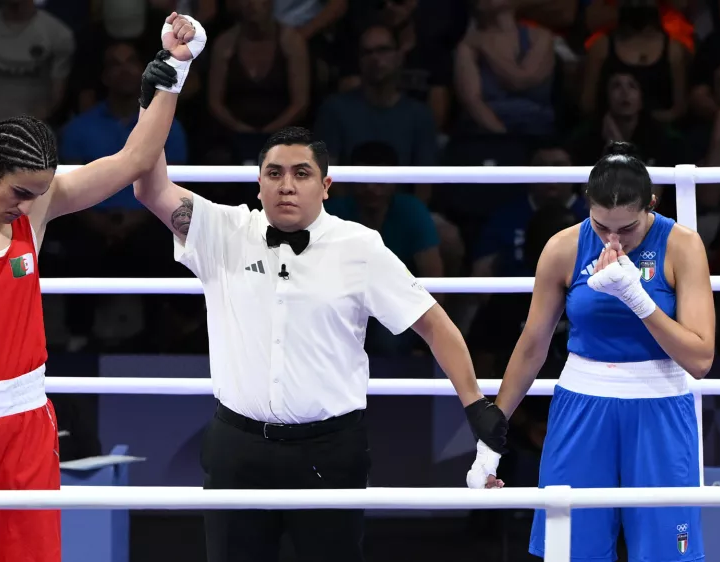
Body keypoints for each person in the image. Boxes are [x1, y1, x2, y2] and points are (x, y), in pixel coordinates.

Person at [0, 13, 207, 562]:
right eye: (20, 192)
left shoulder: (35, 205)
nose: (28, 206)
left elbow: (134, 160)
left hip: (27, 424)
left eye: (38, 194)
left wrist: (172, 69)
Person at [132, 125, 508, 562]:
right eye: (274, 173)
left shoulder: (360, 247)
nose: (286, 185)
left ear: (326, 186)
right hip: (238, 447)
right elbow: (149, 188)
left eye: (301, 173)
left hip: (329, 451)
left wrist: (475, 405)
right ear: (258, 183)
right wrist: (166, 84)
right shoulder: (224, 230)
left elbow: (435, 325)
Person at [468, 141, 714, 562]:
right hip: (582, 408)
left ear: (651, 204)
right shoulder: (563, 247)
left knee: (667, 554)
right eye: (602, 227)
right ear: (586, 206)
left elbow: (700, 358)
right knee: (572, 552)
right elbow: (532, 345)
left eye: (628, 228)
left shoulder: (682, 245)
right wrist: (492, 437)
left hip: (659, 410)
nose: (613, 240)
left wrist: (639, 300)